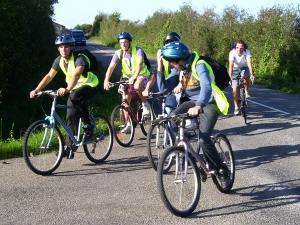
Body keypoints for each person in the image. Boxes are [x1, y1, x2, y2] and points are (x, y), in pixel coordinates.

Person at [161, 41, 229, 178]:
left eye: (172, 63)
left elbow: (206, 87)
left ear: (180, 60)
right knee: (172, 119)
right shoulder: (183, 68)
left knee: (204, 139)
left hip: (209, 102)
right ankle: (186, 149)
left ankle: (221, 169)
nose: (172, 66)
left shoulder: (200, 65)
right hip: (192, 102)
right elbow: (164, 87)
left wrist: (199, 105)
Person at [29, 34, 99, 155]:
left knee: (75, 96)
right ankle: (69, 147)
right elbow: (49, 76)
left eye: (66, 47)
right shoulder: (59, 60)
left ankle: (89, 128)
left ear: (71, 47)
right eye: (60, 47)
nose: (63, 49)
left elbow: (77, 74)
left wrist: (67, 89)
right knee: (70, 114)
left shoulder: (79, 58)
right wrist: (37, 90)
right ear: (58, 48)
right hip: (74, 88)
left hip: (91, 85)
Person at [103, 32, 152, 133]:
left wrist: (134, 76)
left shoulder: (138, 50)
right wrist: (106, 80)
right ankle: (129, 124)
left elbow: (139, 64)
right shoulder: (118, 53)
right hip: (127, 78)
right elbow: (111, 67)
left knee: (137, 86)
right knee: (125, 101)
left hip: (141, 75)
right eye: (121, 43)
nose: (123, 45)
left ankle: (145, 103)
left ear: (130, 42)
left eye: (125, 42)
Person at [228, 39, 255, 115]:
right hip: (235, 69)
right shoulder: (232, 53)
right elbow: (231, 65)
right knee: (235, 88)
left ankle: (246, 90)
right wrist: (229, 77)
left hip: (244, 67)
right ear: (235, 47)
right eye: (237, 47)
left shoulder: (247, 52)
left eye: (241, 48)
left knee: (245, 75)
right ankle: (236, 107)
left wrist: (252, 74)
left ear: (244, 48)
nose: (239, 50)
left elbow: (249, 63)